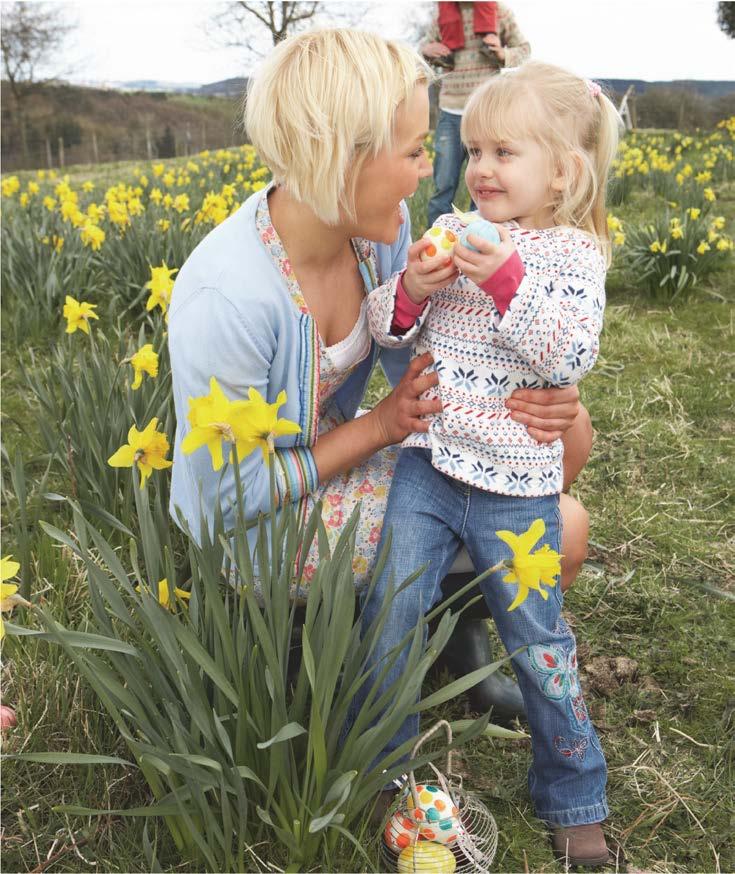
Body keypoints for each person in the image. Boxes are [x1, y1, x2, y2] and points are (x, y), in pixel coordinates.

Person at [168, 28, 591, 739]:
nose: (430, 173)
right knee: (564, 530)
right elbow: (225, 497)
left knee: (562, 450)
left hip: (337, 457)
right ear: (341, 158)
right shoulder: (229, 294)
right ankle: (342, 649)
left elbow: (425, 363)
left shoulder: (377, 232)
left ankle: (451, 632)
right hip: (254, 523)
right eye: (413, 151)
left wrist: (546, 396)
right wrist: (376, 428)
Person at [362, 62, 622, 867]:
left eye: (503, 152)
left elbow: (568, 352)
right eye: (472, 149)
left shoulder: (574, 257)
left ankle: (574, 796)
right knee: (388, 617)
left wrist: (501, 277)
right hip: (428, 470)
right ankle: (385, 776)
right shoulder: (447, 231)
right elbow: (386, 338)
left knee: (541, 644)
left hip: (516, 489)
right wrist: (409, 287)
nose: (478, 169)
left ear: (562, 171)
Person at [422, 1, 531, 226]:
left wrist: (502, 53)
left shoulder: (500, 12)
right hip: (451, 110)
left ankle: (481, 240)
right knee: (443, 185)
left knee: (486, 182)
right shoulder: (441, 16)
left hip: (485, 115)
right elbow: (423, 49)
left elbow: (524, 49)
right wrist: (427, 50)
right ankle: (435, 245)